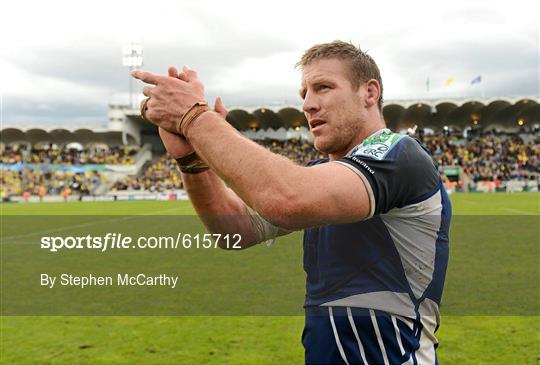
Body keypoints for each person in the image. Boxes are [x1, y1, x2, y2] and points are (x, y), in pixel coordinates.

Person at [132, 40, 451, 365]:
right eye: (304, 94)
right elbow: (234, 230)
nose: (308, 105)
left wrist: (193, 115)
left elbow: (286, 198)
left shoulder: (399, 155)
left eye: (323, 87)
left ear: (370, 93)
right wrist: (191, 158)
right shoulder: (322, 176)